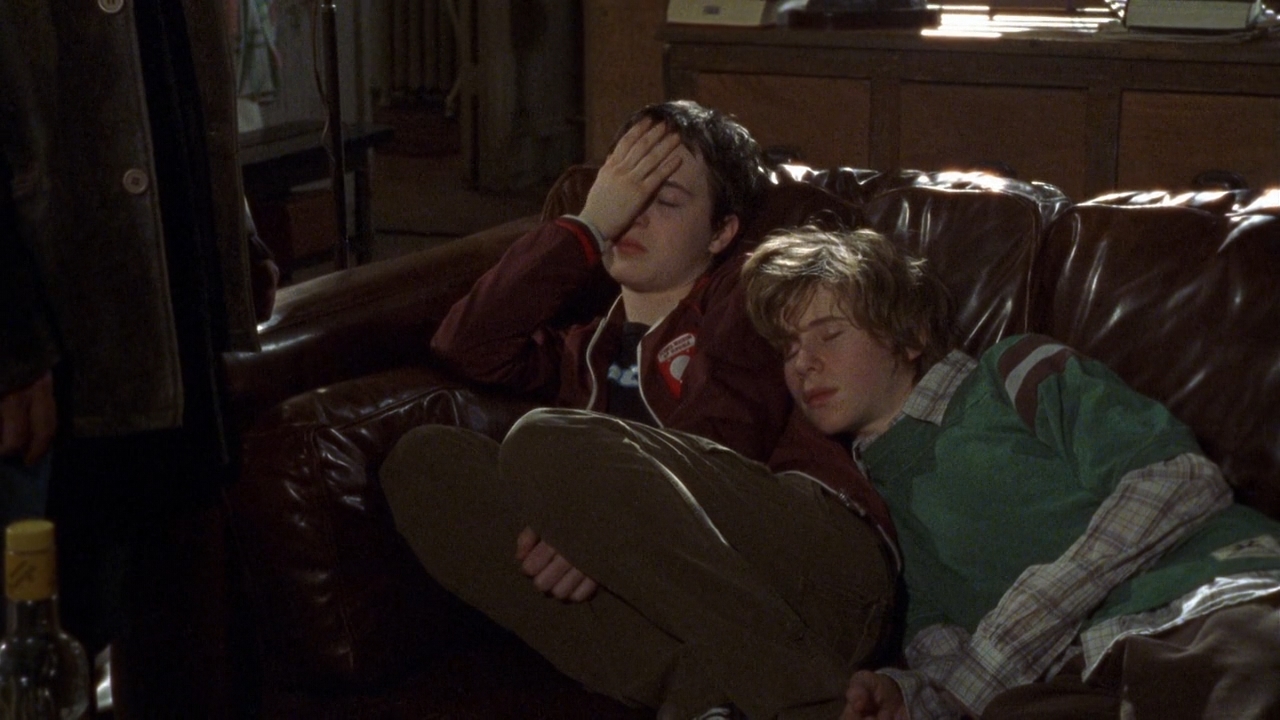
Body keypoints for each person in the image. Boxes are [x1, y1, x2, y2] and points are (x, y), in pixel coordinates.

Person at [380, 101, 899, 720]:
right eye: (624, 192)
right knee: (425, 464)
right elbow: (465, 344)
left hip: (820, 569)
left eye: (667, 200)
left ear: (721, 233)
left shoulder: (751, 294)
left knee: (549, 444)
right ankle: (706, 700)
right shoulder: (584, 350)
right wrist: (587, 226)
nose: (634, 215)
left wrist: (590, 514)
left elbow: (729, 430)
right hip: (712, 623)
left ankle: (811, 706)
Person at [740, 226, 1280, 720]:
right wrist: (910, 697)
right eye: (788, 348)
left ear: (909, 336)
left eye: (829, 334)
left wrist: (1010, 637)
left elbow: (1178, 479)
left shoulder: (1010, 374)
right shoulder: (870, 510)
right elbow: (954, 670)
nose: (803, 362)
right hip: (1078, 678)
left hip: (1206, 600)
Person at [0, 1, 277, 716]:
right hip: (47, 338)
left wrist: (233, 233)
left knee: (177, 629)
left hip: (166, 332)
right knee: (39, 650)